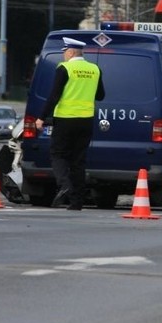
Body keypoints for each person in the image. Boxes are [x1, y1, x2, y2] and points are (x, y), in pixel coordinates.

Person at [35, 37, 106, 210]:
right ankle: (77, 202)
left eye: (65, 52)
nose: (63, 56)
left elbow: (54, 96)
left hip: (66, 120)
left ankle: (64, 183)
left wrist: (41, 117)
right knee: (78, 161)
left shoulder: (65, 68)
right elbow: (100, 95)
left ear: (71, 52)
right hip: (86, 121)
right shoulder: (94, 69)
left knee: (58, 154)